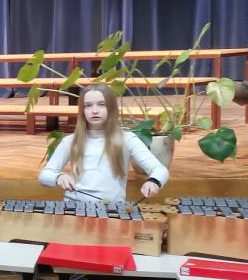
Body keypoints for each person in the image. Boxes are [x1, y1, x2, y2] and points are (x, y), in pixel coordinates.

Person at [38, 84, 169, 203]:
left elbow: (159, 169)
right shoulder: (71, 141)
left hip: (112, 212)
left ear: (111, 108)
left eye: (101, 104)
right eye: (88, 105)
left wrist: (154, 182)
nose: (94, 110)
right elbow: (44, 175)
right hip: (74, 209)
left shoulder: (127, 139)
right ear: (82, 110)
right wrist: (58, 177)